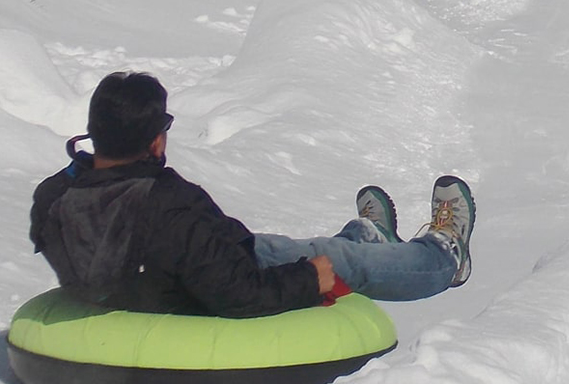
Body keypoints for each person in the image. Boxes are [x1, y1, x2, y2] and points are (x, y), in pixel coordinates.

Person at [29, 73, 477, 319]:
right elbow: (237, 294)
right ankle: (443, 258)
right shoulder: (166, 205)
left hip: (165, 272)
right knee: (337, 263)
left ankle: (366, 235)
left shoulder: (53, 195)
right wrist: (309, 280)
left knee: (289, 246)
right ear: (155, 142)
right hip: (190, 289)